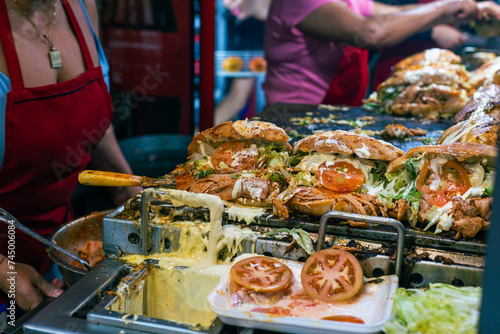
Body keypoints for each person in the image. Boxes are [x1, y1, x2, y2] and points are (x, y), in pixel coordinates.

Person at [0, 0, 141, 322]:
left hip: (59, 243)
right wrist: (4, 270)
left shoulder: (81, 6)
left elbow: (89, 115)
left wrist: (123, 181)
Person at [263, 0, 500, 106]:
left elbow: (398, 13)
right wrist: (446, 7)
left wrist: (465, 9)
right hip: (294, 117)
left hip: (335, 113)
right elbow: (370, 33)